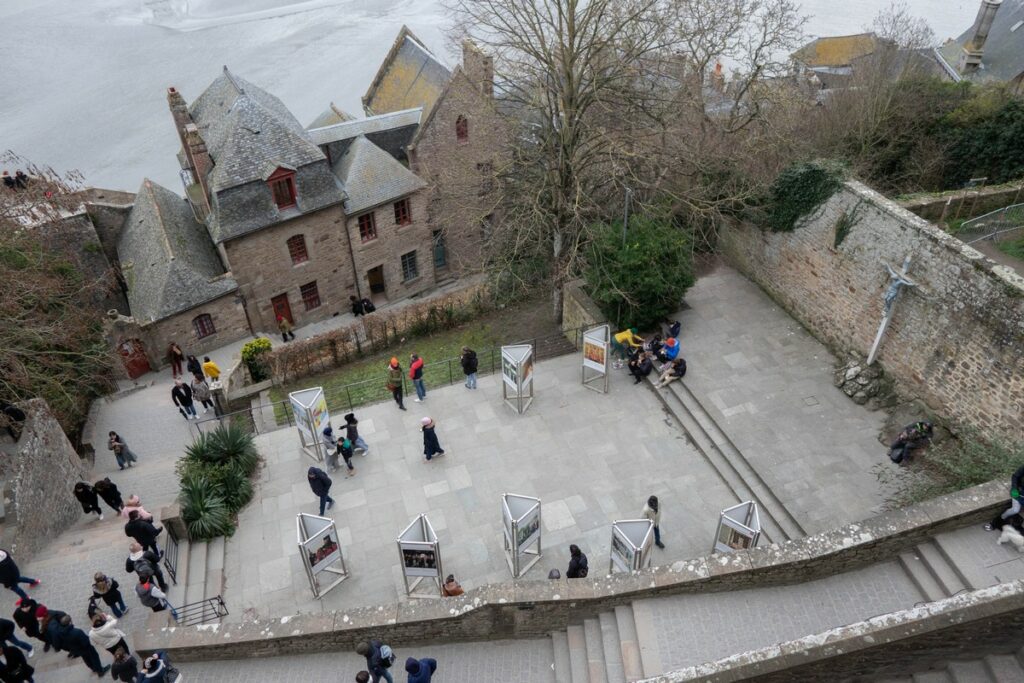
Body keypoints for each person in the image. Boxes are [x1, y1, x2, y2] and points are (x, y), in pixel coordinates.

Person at [986, 464, 1024, 532]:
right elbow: (1015, 476)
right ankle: (995, 522)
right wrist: (1014, 488)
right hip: (1019, 492)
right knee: (1015, 510)